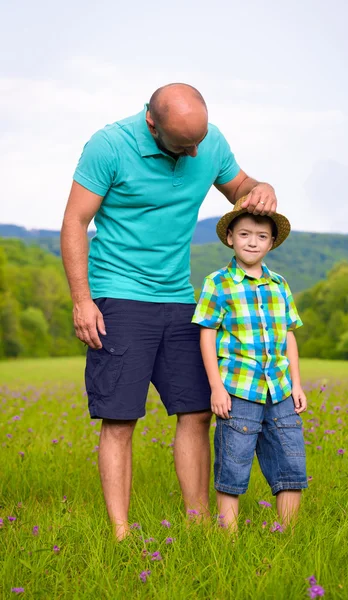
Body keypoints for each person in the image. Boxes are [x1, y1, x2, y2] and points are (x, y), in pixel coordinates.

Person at [61, 82, 278, 541]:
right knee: (120, 418)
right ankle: (121, 531)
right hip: (117, 296)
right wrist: (82, 299)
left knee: (197, 410)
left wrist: (262, 188)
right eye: (185, 144)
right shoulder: (109, 146)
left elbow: (240, 187)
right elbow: (75, 222)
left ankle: (198, 522)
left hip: (180, 297)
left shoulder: (208, 141)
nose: (196, 151)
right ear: (152, 122)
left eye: (199, 140)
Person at [192, 197, 308, 530]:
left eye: (261, 236)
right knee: (233, 460)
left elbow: (288, 336)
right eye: (244, 234)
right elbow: (206, 335)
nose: (252, 241)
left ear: (272, 242)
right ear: (230, 237)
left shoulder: (279, 284)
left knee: (290, 459)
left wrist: (296, 384)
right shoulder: (218, 283)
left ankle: (287, 533)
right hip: (238, 389)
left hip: (281, 390)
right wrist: (216, 387)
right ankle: (227, 537)